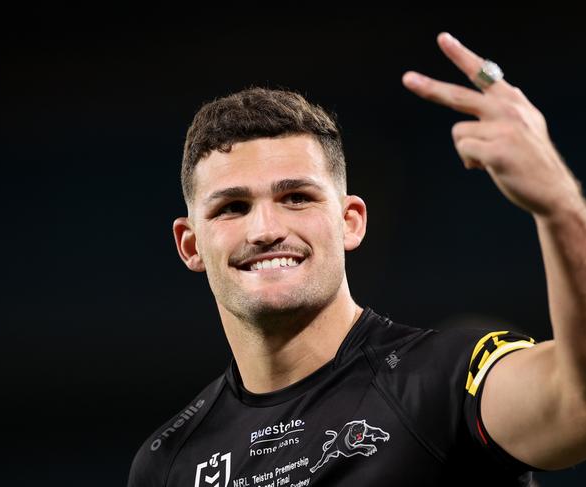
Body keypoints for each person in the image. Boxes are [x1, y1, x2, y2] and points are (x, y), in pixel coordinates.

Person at [127, 32, 586, 486]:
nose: (265, 230)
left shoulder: (443, 380)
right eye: (232, 207)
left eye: (296, 197)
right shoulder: (168, 464)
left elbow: (576, 408)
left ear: (351, 221)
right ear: (190, 245)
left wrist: (562, 208)